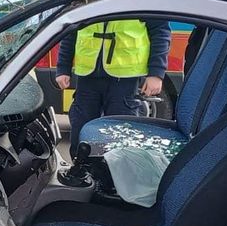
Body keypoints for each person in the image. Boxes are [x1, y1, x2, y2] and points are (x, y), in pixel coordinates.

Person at [56, 19, 172, 157]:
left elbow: (160, 30)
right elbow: (71, 30)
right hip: (88, 76)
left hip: (125, 79)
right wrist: (63, 67)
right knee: (80, 130)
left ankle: (116, 175)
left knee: (121, 135)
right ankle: (79, 171)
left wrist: (156, 73)